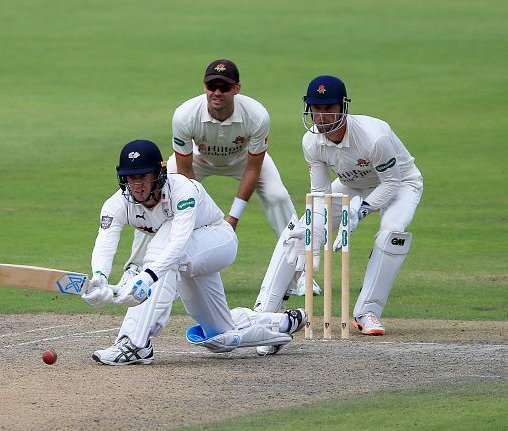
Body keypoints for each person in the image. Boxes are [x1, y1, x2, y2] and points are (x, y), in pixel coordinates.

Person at [81, 139, 307, 365]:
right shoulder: (117, 203)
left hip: (218, 241)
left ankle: (134, 344)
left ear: (159, 173)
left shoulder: (183, 190)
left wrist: (145, 279)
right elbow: (105, 242)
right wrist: (99, 277)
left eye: (143, 177)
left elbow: (177, 244)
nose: (137, 185)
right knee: (220, 336)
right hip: (187, 259)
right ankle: (283, 323)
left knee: (163, 251)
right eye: (131, 178)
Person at [122, 59, 321, 298]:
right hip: (198, 159)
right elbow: (186, 175)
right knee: (155, 197)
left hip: (244, 161)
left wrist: (232, 218)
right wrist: (194, 217)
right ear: (204, 86)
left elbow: (253, 168)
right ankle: (136, 270)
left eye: (224, 87)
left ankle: (301, 275)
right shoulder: (185, 115)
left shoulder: (257, 116)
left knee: (278, 197)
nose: (217, 92)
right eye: (211, 86)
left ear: (236, 89)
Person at [255, 75, 423, 352]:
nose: (321, 115)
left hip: (401, 183)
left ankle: (367, 312)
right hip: (350, 184)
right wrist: (313, 230)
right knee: (298, 231)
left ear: (343, 106)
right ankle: (266, 307)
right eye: (316, 108)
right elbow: (320, 194)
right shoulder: (311, 142)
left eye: (328, 107)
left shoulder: (374, 137)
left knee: (391, 234)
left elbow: (391, 183)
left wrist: (363, 210)